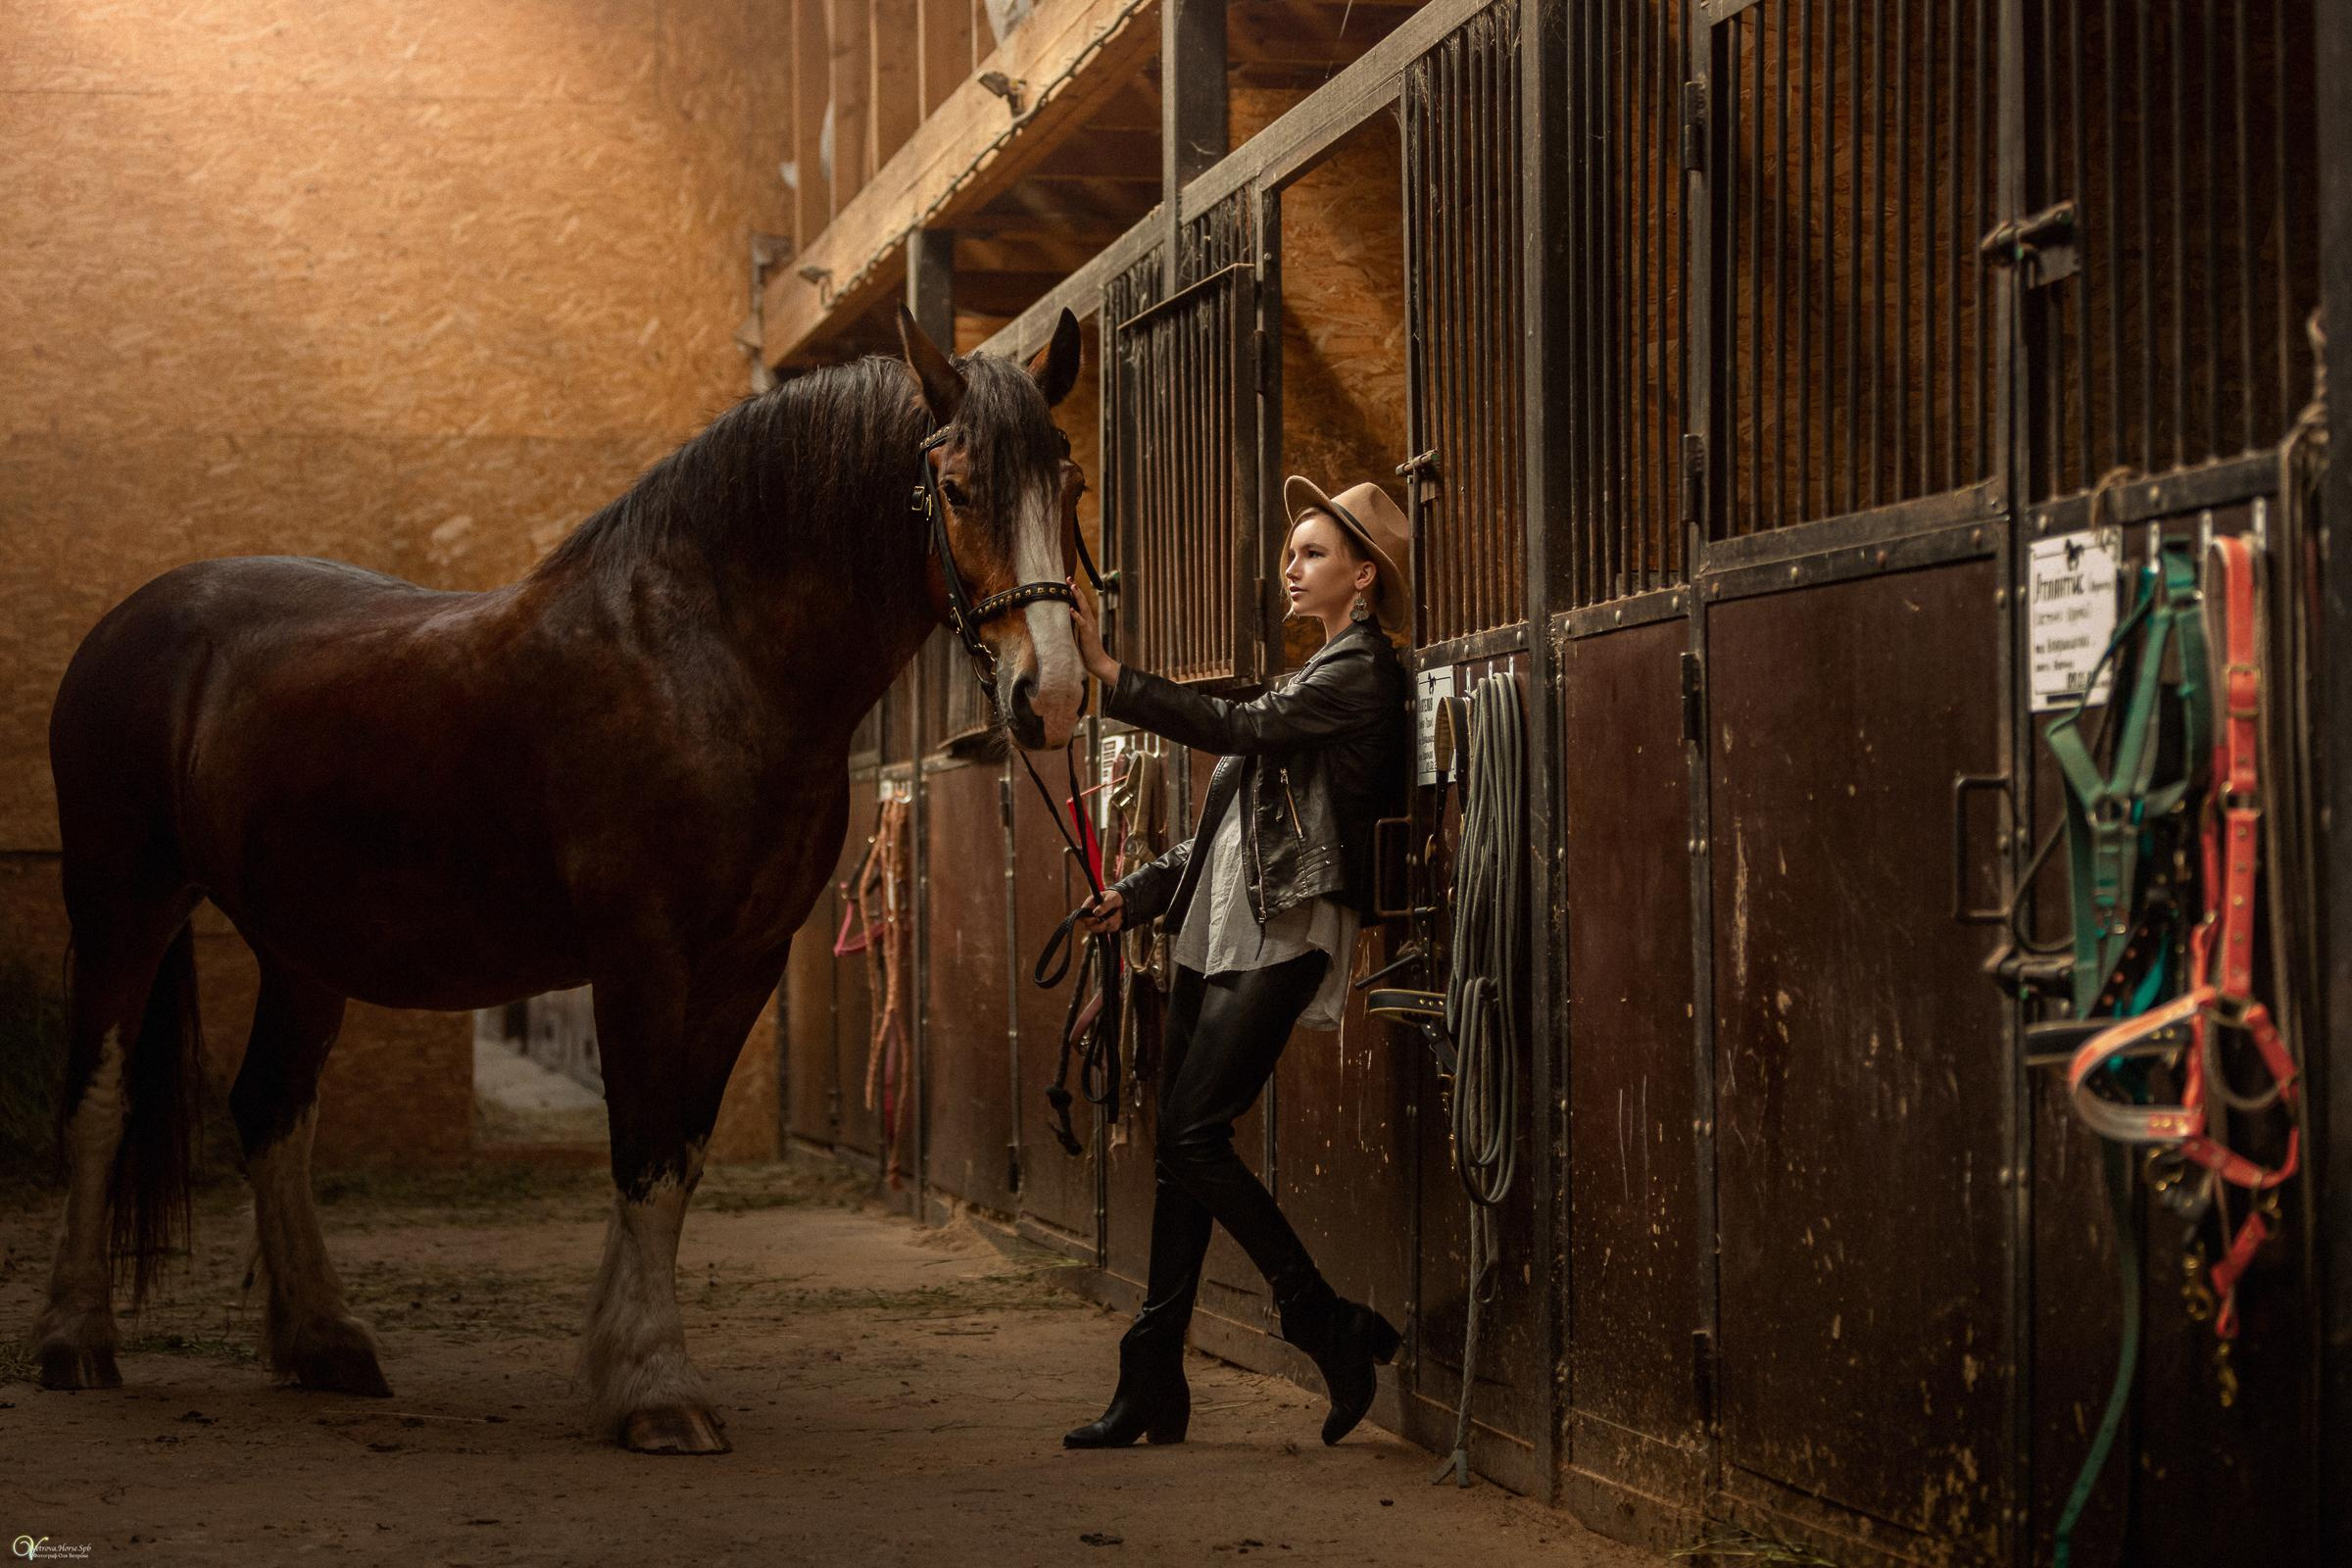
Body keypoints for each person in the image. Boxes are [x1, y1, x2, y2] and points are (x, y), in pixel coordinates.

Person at [1059, 474, 1411, 1450]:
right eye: (1292, 550)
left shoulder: (1362, 673)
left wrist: (1112, 674)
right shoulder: (1308, 681)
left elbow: (1236, 730)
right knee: (1182, 1154)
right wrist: (1134, 893)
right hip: (1224, 924)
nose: (1289, 567)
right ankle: (1152, 1383)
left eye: (1312, 553)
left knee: (1192, 1137)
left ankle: (1323, 1321)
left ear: (1364, 576)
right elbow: (1228, 825)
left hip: (1286, 928)